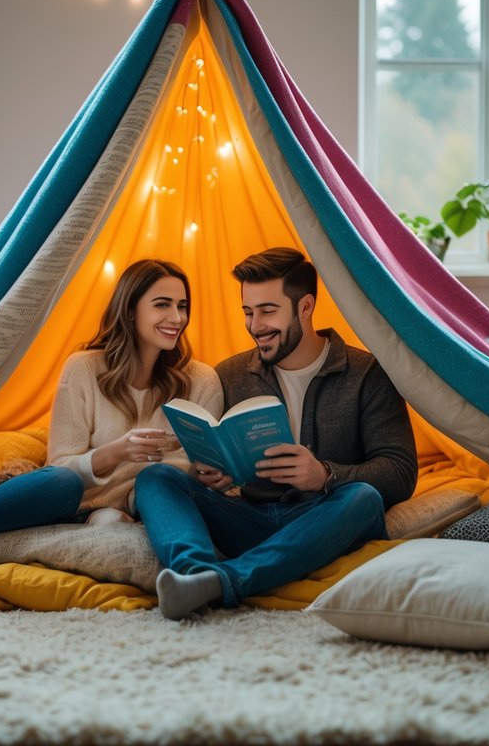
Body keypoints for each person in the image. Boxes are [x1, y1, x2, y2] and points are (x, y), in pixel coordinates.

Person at [134, 247, 417, 619]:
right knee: (156, 477)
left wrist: (325, 475)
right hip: (247, 516)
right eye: (248, 313)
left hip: (322, 519)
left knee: (363, 498)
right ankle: (194, 575)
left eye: (268, 311)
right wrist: (209, 474)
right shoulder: (230, 374)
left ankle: (219, 581)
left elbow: (400, 471)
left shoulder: (366, 373)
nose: (255, 326)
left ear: (305, 307)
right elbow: (213, 453)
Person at [0, 258, 222, 563]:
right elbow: (59, 465)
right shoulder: (84, 369)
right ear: (130, 311)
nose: (177, 318)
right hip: (73, 503)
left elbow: (193, 471)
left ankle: (114, 526)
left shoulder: (202, 381)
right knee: (61, 481)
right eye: (162, 305)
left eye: (182, 306)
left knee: (148, 490)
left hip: (153, 509)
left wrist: (208, 475)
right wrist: (115, 452)